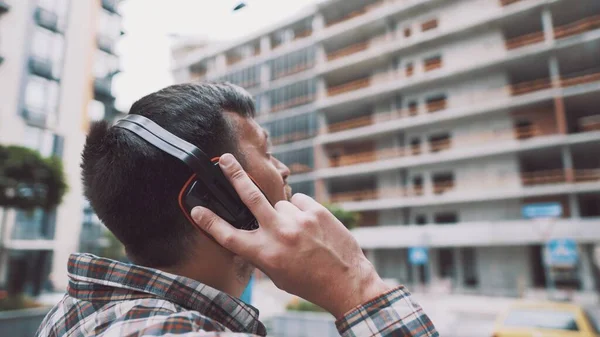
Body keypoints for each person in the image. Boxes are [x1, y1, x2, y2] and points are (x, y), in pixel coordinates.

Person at [36, 83, 438, 337]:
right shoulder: (168, 331)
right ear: (211, 194)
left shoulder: (78, 311)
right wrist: (357, 288)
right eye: (265, 150)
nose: (284, 169)